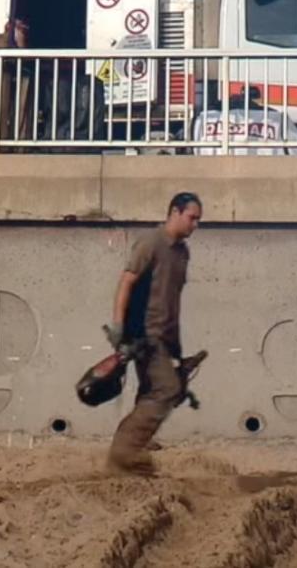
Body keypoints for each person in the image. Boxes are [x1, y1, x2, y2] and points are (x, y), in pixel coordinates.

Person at [105, 191, 203, 474]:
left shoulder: (182, 252)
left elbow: (172, 298)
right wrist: (119, 326)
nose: (195, 225)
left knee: (153, 390)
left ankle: (131, 453)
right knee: (167, 389)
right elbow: (127, 282)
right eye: (192, 217)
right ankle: (125, 451)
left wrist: (177, 349)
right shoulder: (151, 243)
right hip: (143, 334)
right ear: (174, 212)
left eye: (198, 219)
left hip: (165, 335)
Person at [0, 19, 34, 147]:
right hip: (1, 86)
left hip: (18, 87)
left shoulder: (27, 46)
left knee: (21, 117)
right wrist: (13, 43)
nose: (24, 32)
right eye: (21, 29)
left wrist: (21, 46)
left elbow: (28, 62)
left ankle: (19, 147)